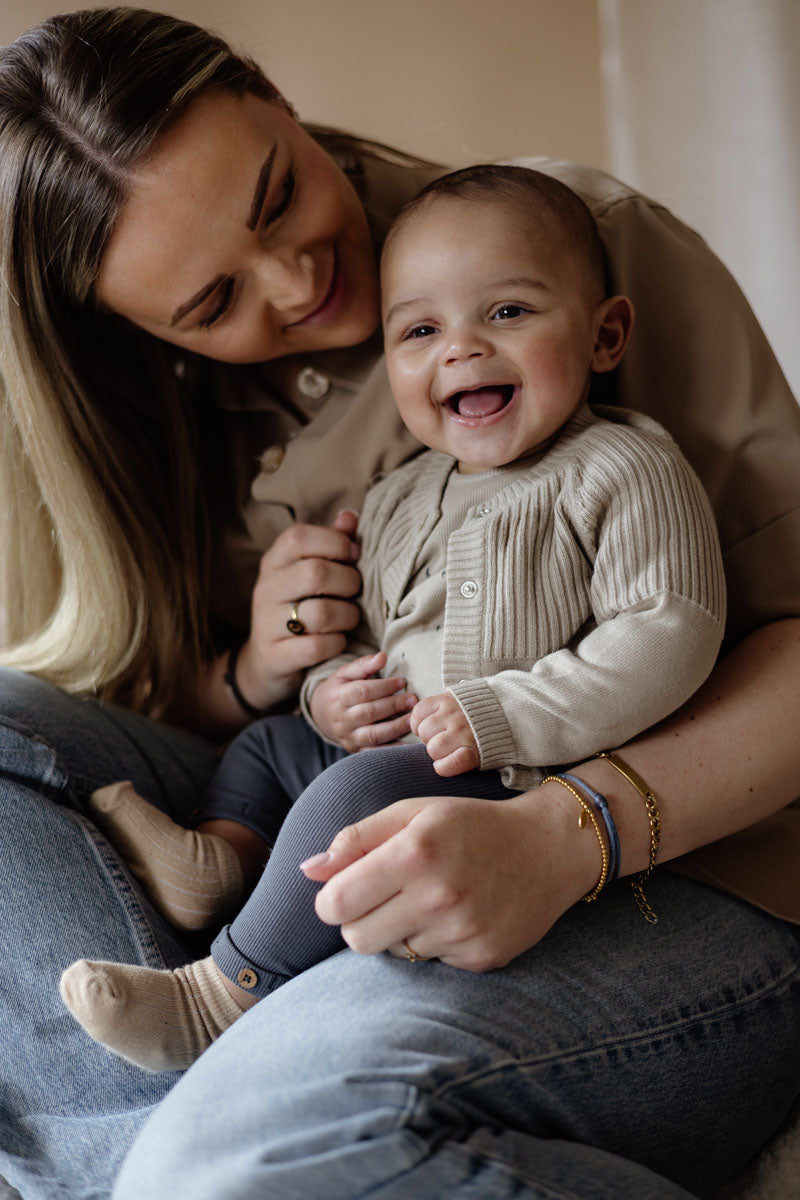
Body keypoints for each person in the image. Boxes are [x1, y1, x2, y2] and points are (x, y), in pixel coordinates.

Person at [0, 8, 798, 1199]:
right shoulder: (146, 417)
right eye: (212, 303)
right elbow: (154, 693)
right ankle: (167, 1141)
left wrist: (565, 836)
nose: (298, 278)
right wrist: (262, 672)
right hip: (348, 811)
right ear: (129, 335)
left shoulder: (570, 250)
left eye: (277, 196)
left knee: (239, 1156)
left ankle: (224, 1136)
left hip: (690, 864)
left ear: (277, 94)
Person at [58, 164, 728, 1074]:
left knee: (348, 798)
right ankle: (220, 858)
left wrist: (503, 715)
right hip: (400, 736)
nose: (461, 349)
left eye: (508, 314)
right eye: (421, 331)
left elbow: (668, 631)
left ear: (605, 334)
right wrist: (335, 694)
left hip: (520, 775)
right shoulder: (400, 498)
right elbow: (371, 637)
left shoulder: (620, 468)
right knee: (266, 750)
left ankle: (223, 995)